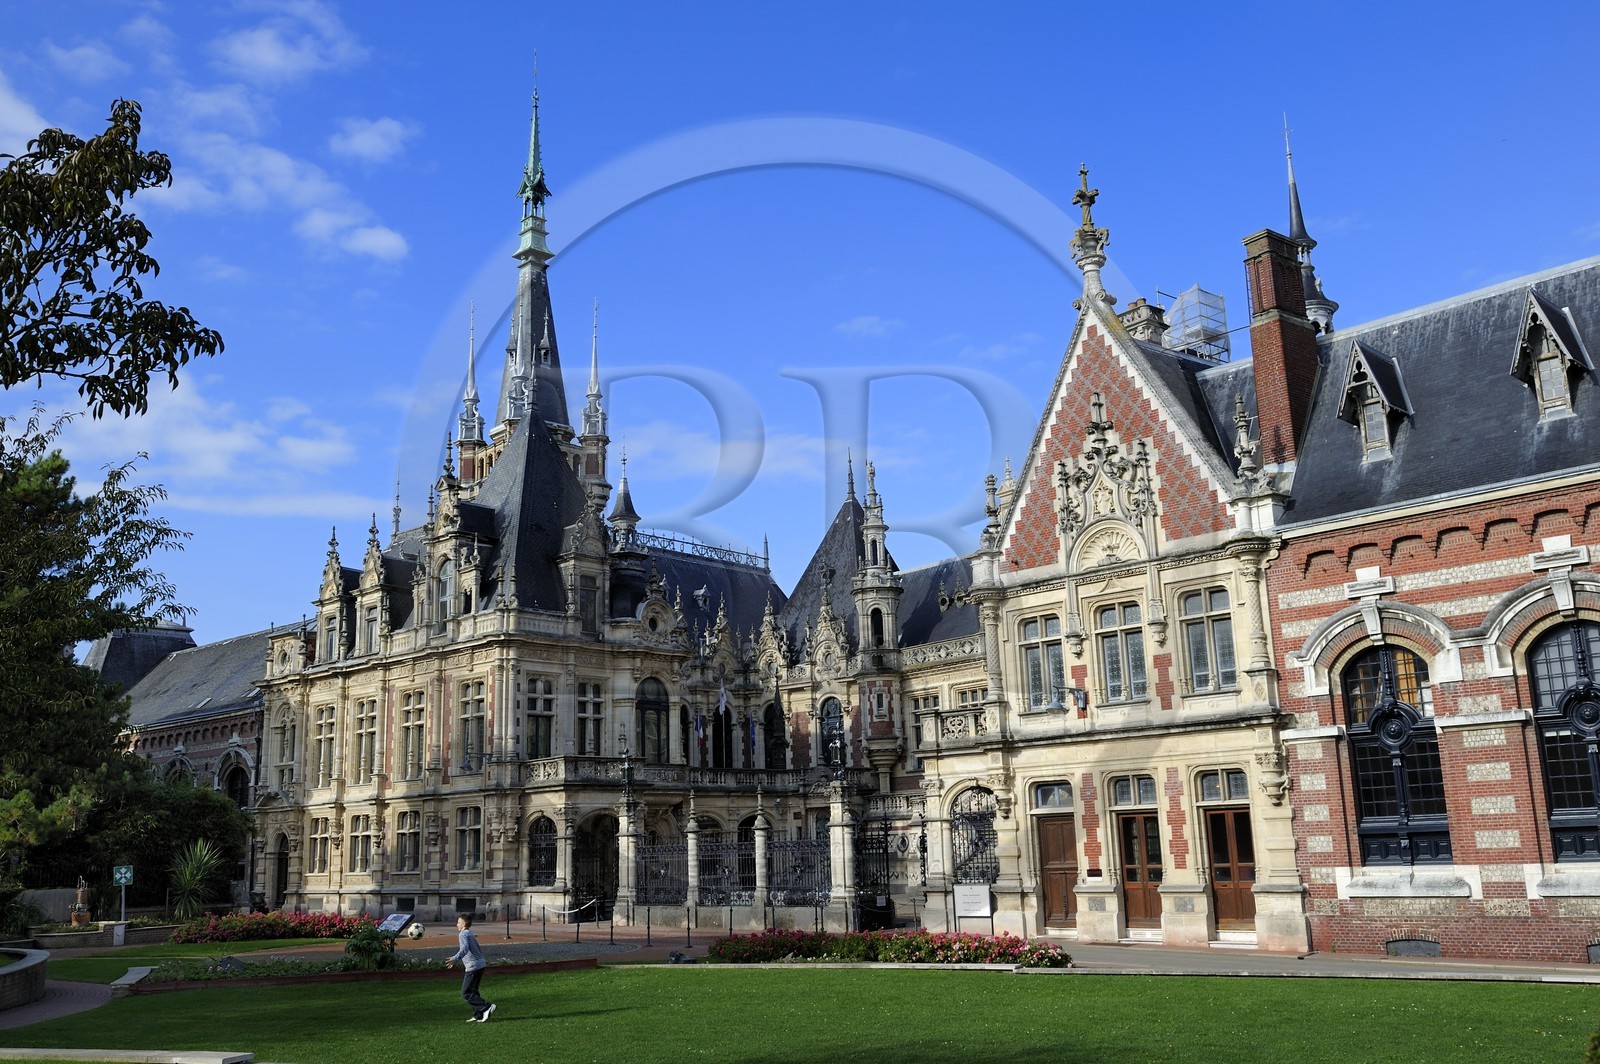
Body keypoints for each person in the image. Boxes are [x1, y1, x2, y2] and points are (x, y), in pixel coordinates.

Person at [444, 913, 495, 1022]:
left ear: (463, 924)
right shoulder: (469, 933)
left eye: (458, 922)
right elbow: (476, 948)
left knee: (465, 993)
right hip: (480, 964)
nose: (456, 924)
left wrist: (455, 959)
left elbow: (464, 949)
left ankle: (486, 1007)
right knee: (473, 991)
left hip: (473, 966)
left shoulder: (463, 934)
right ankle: (479, 1015)